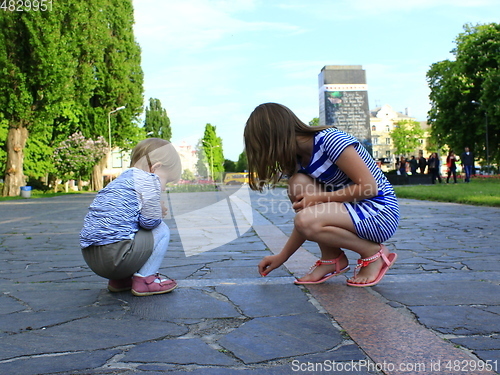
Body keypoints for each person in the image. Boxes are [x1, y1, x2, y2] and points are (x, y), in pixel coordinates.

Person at [244, 103, 399, 287]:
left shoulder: (330, 140)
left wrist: (319, 198)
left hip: (379, 212)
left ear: (273, 139)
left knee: (306, 219)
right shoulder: (299, 162)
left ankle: (373, 254)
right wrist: (282, 257)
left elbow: (369, 188)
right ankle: (331, 258)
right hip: (351, 211)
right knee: (297, 184)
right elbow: (306, 222)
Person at [80, 138, 182, 296]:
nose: (164, 188)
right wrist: (157, 212)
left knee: (129, 228)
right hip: (114, 257)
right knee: (161, 229)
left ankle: (121, 280)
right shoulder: (148, 180)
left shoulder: (121, 180)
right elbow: (149, 223)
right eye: (166, 181)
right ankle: (146, 281)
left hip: (92, 257)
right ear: (155, 168)